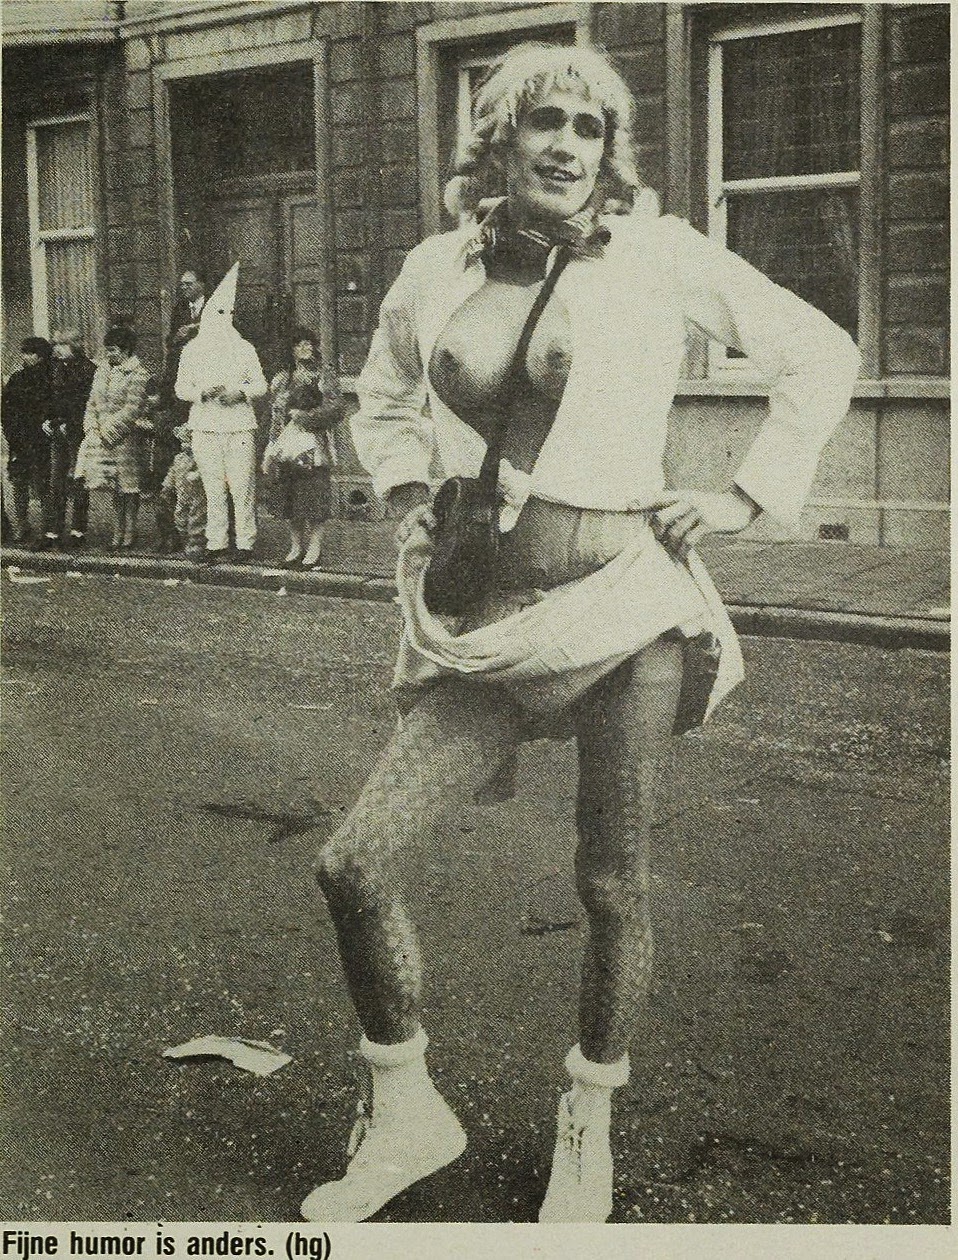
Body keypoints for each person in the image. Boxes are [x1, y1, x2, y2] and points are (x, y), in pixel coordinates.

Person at [303, 43, 860, 1225]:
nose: (565, 145)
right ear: (498, 138)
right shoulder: (433, 268)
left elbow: (818, 349)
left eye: (588, 127)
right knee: (353, 864)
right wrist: (406, 490)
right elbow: (382, 393)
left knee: (611, 882)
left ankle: (586, 1121)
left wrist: (742, 497)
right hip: (486, 619)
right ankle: (405, 1112)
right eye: (543, 121)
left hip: (625, 609)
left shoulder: (658, 253)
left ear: (608, 150)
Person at [175, 263, 267, 564]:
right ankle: (216, 542)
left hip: (239, 426)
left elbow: (260, 385)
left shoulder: (244, 349)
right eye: (215, 314)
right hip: (205, 426)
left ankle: (245, 542)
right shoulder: (191, 351)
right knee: (213, 487)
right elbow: (181, 389)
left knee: (241, 486)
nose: (220, 321)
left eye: (225, 315)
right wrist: (202, 393)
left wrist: (239, 393)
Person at [263, 327, 344, 568]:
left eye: (308, 343)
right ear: (291, 350)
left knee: (311, 492)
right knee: (289, 493)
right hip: (286, 444)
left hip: (312, 444)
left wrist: (307, 417)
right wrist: (271, 446)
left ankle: (314, 548)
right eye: (299, 344)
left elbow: (336, 408)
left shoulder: (324, 375)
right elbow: (276, 416)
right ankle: (296, 547)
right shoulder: (283, 379)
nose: (305, 348)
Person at [74, 324, 150, 550]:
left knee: (129, 486)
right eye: (107, 350)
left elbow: (132, 409)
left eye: (113, 350)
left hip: (126, 437)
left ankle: (130, 530)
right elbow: (91, 403)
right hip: (101, 438)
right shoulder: (101, 372)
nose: (109, 354)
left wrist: (109, 430)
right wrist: (92, 429)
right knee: (113, 485)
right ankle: (118, 528)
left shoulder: (138, 374)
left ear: (126, 350)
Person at [43, 329, 97, 549]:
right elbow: (50, 398)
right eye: (56, 345)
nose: (57, 349)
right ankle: (53, 530)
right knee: (56, 481)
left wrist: (70, 423)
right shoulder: (55, 368)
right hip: (58, 430)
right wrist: (48, 419)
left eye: (62, 345)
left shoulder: (88, 369)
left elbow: (86, 402)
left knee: (78, 479)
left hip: (78, 432)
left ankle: (78, 530)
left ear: (75, 345)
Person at [2, 336, 53, 545]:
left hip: (42, 440)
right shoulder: (17, 378)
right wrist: (12, 434)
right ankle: (22, 524)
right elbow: (6, 409)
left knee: (43, 484)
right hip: (19, 440)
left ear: (41, 356)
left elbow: (50, 408)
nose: (26, 357)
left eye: (30, 353)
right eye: (24, 352)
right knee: (19, 482)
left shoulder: (51, 378)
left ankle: (47, 527)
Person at [158, 423, 207, 561]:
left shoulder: (200, 458)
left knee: (197, 518)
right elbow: (172, 472)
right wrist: (167, 486)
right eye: (183, 442)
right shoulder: (179, 458)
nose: (185, 445)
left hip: (197, 494)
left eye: (188, 442)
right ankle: (185, 541)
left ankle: (196, 545)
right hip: (181, 494)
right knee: (180, 517)